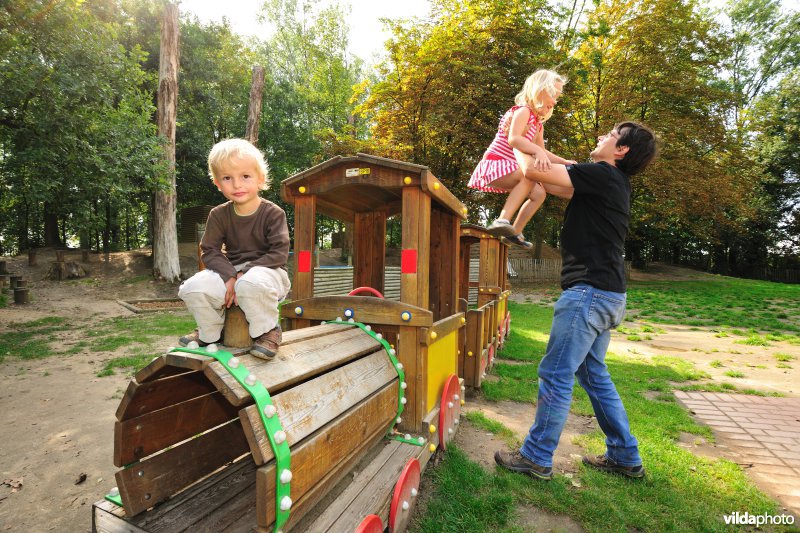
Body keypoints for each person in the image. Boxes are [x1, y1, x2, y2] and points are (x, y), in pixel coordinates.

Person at [494, 121, 658, 480]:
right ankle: (625, 456)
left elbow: (531, 169)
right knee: (593, 374)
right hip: (608, 294)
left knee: (555, 372)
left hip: (588, 293)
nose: (602, 137)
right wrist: (536, 144)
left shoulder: (602, 175)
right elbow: (551, 179)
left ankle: (536, 457)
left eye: (611, 135)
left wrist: (517, 135)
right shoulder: (610, 181)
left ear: (621, 150)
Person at [178, 138, 291, 360]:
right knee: (193, 288)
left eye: (245, 176)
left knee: (251, 283)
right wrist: (230, 276)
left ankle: (267, 331)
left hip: (269, 274)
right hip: (231, 272)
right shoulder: (218, 215)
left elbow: (278, 253)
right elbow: (209, 250)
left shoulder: (273, 213)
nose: (237, 185)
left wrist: (242, 274)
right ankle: (211, 332)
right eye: (227, 178)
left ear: (261, 179)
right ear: (218, 183)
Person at [469, 69, 575, 248]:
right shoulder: (522, 111)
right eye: (553, 95)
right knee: (529, 176)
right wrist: (537, 151)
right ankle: (502, 220)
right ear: (539, 90)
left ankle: (514, 232)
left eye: (557, 97)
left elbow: (542, 151)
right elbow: (514, 139)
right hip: (496, 163)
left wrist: (563, 162)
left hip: (510, 167)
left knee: (540, 194)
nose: (555, 101)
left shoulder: (537, 125)